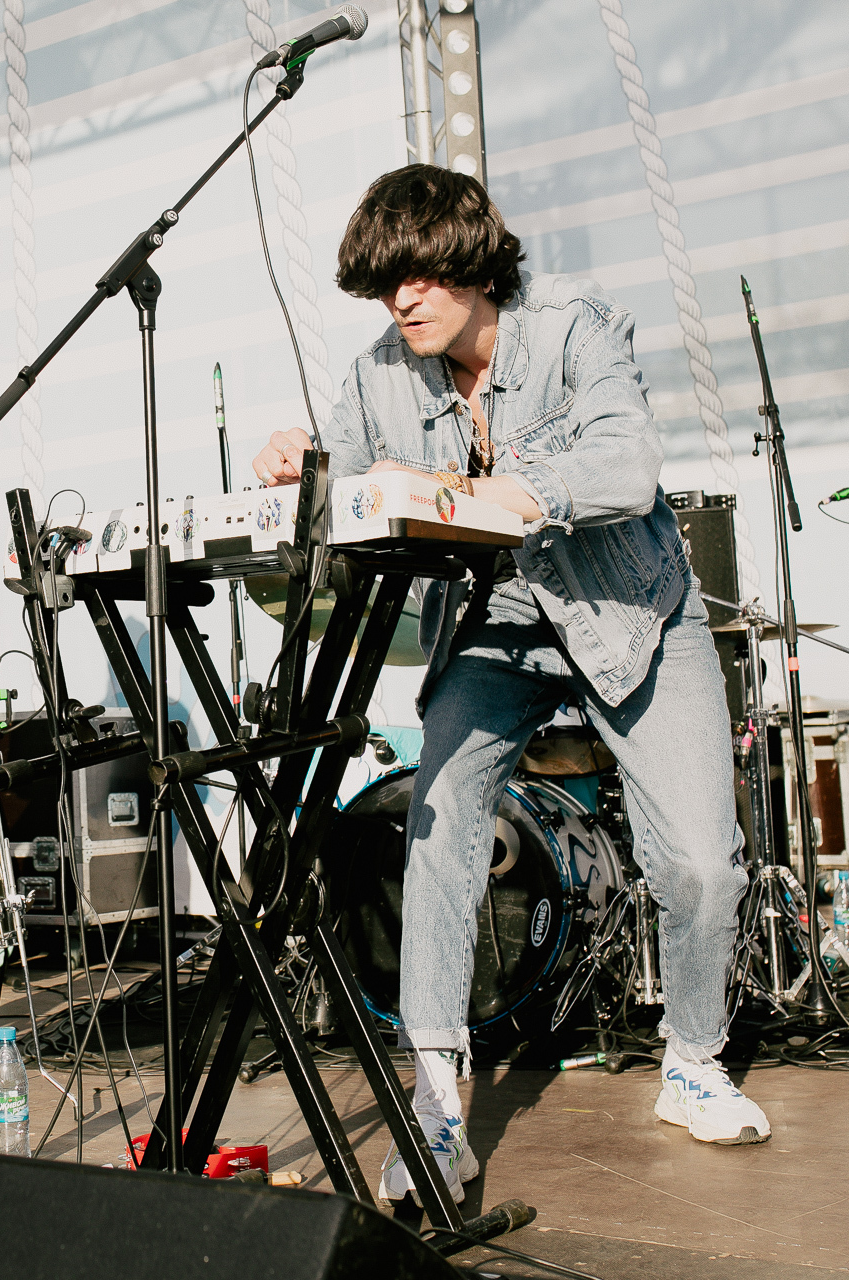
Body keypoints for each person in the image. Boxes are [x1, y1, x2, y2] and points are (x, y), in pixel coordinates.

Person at [251, 166, 763, 1206]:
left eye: (419, 276)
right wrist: (303, 463)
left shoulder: (575, 330)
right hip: (496, 623)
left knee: (703, 866)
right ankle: (436, 1105)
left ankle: (693, 1063)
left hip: (631, 610)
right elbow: (349, 490)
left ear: (475, 262)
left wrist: (503, 491)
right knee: (437, 821)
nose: (401, 302)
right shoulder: (378, 373)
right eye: (384, 286)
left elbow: (628, 460)